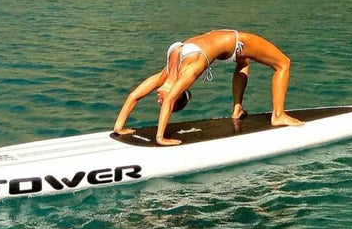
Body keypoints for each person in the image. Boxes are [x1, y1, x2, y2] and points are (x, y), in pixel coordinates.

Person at [113, 29, 303, 146]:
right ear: (179, 94)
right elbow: (168, 100)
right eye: (160, 101)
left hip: (232, 40)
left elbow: (134, 96)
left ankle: (262, 112)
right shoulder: (185, 74)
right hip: (235, 42)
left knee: (261, 62)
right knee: (283, 63)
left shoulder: (167, 75)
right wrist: (160, 137)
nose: (159, 99)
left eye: (160, 100)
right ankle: (268, 113)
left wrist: (119, 127)